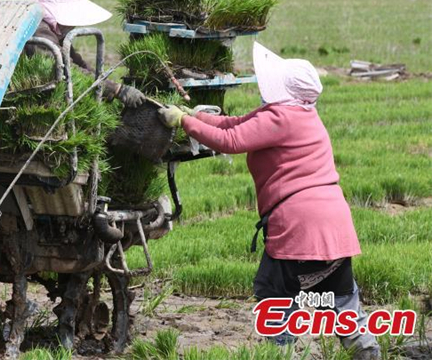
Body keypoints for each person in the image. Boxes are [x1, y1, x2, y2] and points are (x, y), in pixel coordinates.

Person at [158, 42, 379, 360]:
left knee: (273, 292)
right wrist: (199, 116)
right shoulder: (302, 113)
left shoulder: (281, 117)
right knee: (342, 297)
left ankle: (280, 353)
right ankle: (367, 351)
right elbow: (236, 125)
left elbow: (231, 141)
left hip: (299, 226)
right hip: (334, 224)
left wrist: (183, 121)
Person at [29, 0, 146, 108]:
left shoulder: (54, 30)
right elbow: (67, 70)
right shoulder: (38, 31)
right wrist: (116, 89)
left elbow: (75, 61)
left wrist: (105, 82)